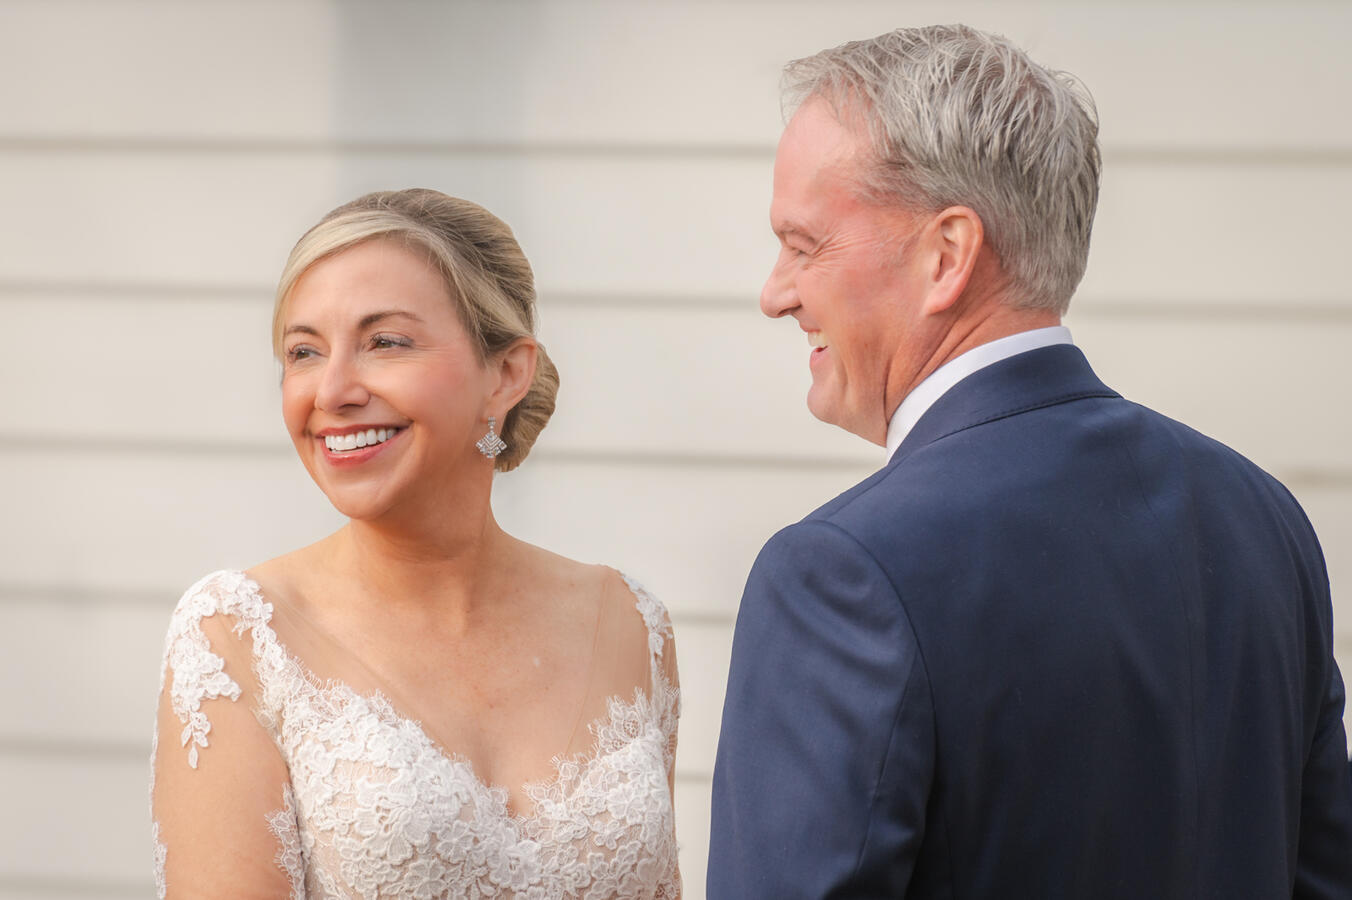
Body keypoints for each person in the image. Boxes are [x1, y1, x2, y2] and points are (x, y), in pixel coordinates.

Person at [709, 24, 1352, 898]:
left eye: (804, 244)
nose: (775, 293)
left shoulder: (840, 575)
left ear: (947, 255)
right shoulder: (1262, 517)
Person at [150, 189, 681, 898]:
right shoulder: (239, 636)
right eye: (304, 352)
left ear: (506, 374)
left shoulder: (628, 622)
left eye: (385, 342)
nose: (332, 391)